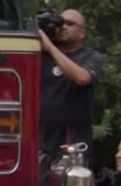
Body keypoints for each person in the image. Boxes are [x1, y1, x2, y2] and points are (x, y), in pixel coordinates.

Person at [38, 9, 105, 163]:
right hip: (41, 140)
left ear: (82, 32)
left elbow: (82, 78)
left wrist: (51, 48)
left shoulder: (90, 57)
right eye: (61, 23)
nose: (63, 27)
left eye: (70, 24)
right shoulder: (43, 55)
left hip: (72, 143)